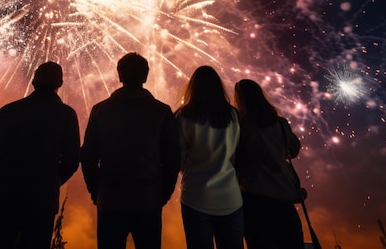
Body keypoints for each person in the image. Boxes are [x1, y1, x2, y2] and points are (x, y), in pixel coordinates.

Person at [0, 61, 80, 249]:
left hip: (2, 199)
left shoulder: (7, 111)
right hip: (40, 204)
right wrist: (50, 181)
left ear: (33, 81)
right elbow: (71, 161)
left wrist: (0, 183)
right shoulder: (65, 114)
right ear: (60, 83)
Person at [81, 52, 180, 249]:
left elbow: (88, 156)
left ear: (119, 75)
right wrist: (163, 193)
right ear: (145, 76)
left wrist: (96, 190)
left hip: (110, 198)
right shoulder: (161, 111)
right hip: (148, 198)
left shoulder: (100, 110)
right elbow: (173, 159)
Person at [175, 66, 244, 249]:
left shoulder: (183, 117)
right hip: (230, 197)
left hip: (195, 196)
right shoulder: (233, 116)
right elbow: (236, 153)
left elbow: (178, 158)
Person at [233, 79, 304, 249]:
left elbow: (234, 160)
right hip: (283, 197)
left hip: (253, 200)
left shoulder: (239, 127)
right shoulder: (279, 123)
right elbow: (293, 150)